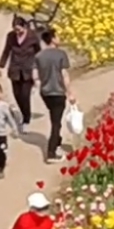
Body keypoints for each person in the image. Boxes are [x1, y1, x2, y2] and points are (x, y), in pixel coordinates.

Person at [36, 26, 73, 161]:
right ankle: (51, 152)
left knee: (55, 117)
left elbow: (35, 75)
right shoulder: (61, 54)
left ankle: (57, 142)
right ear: (52, 39)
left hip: (45, 93)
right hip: (58, 91)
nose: (60, 38)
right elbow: (64, 75)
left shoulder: (39, 56)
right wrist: (70, 93)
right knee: (56, 122)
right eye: (57, 36)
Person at [0, 16, 41, 128]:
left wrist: (37, 68)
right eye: (15, 29)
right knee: (17, 95)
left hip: (28, 70)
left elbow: (38, 53)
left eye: (19, 29)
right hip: (15, 70)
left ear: (24, 27)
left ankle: (26, 119)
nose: (17, 32)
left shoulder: (33, 36)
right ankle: (23, 113)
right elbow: (6, 51)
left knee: (25, 96)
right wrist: (1, 66)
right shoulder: (11, 37)